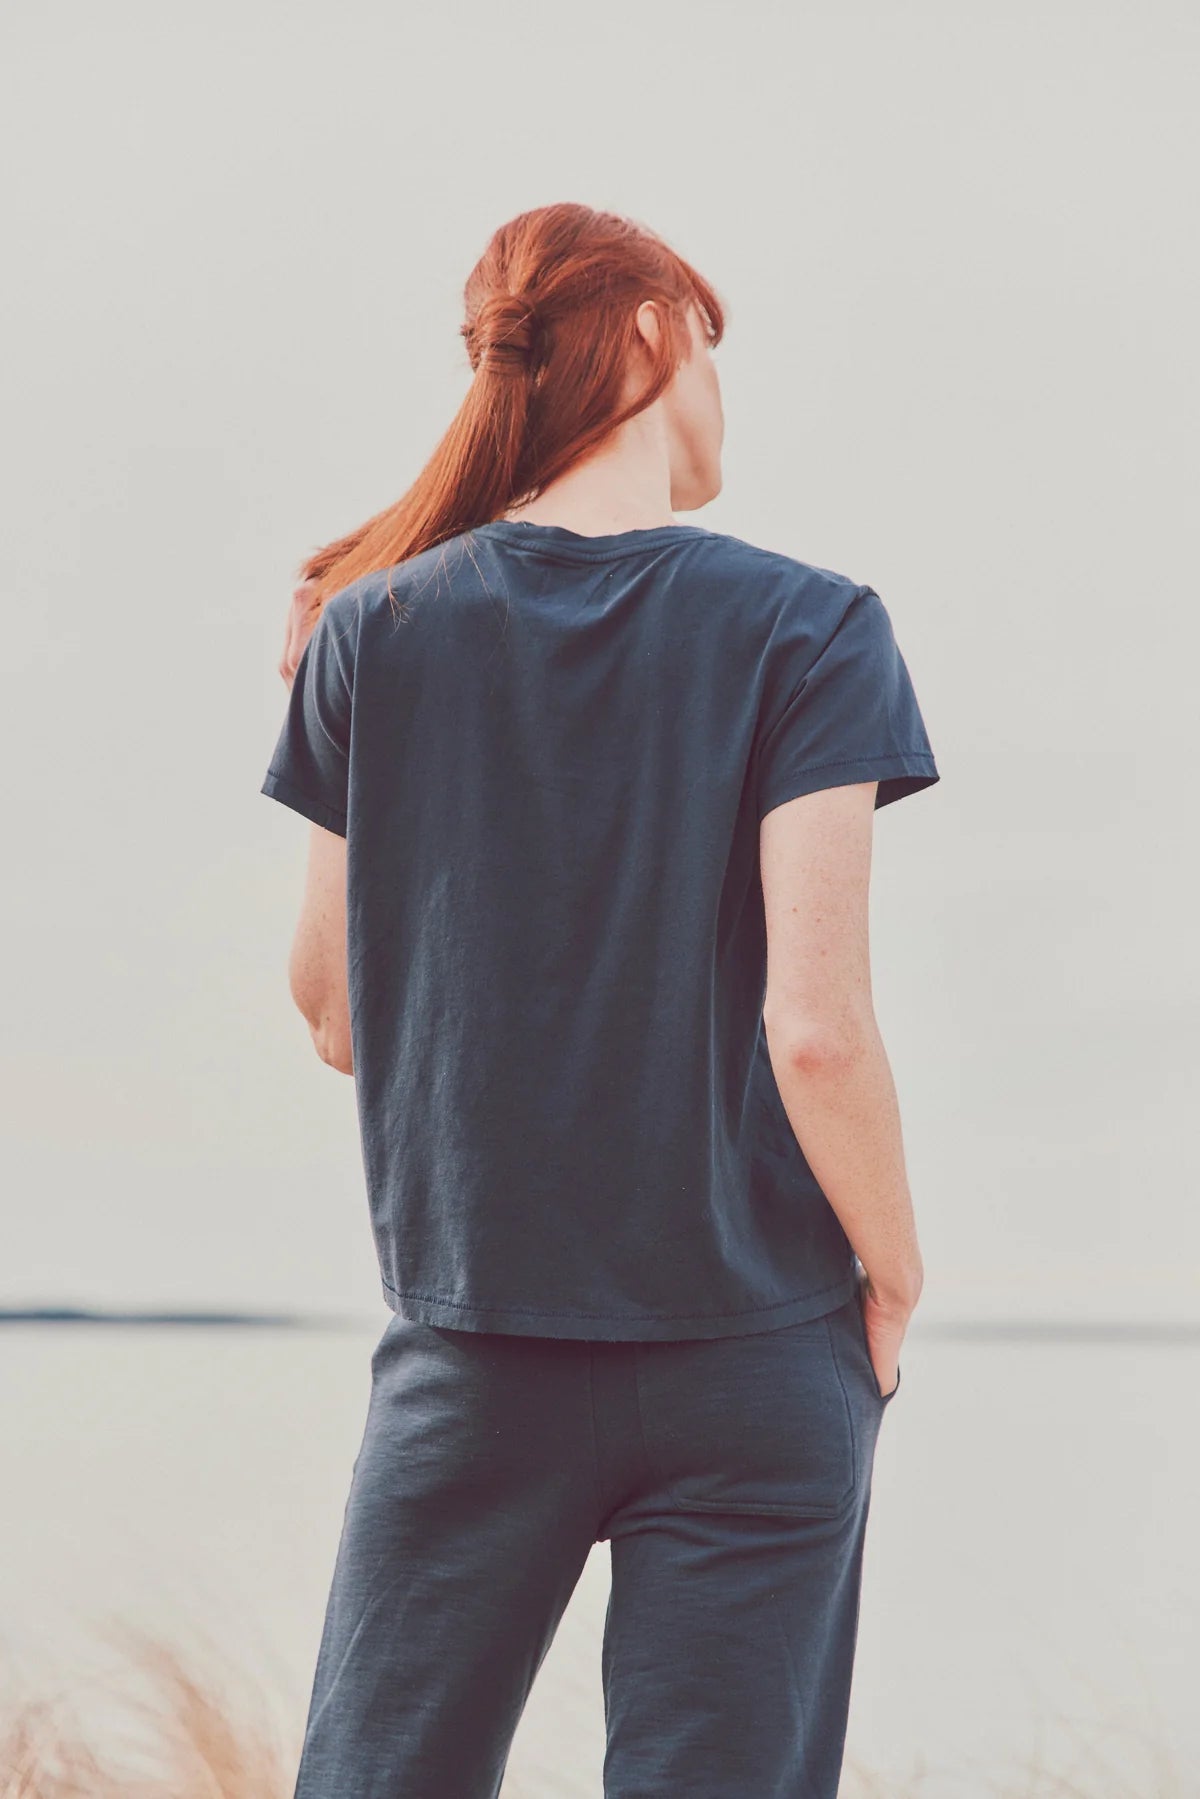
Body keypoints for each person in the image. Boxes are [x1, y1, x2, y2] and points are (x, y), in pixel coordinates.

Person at [261, 200, 940, 1799]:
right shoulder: (813, 625)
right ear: (651, 332)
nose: (724, 392)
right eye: (716, 341)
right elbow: (819, 1027)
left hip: (474, 1352)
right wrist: (893, 1273)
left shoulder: (370, 630)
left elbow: (336, 1017)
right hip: (754, 1349)